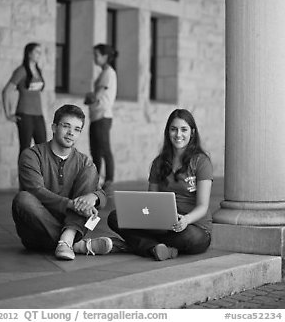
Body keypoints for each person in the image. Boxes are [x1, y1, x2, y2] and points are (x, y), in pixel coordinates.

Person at [12, 104, 122, 261]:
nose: (71, 133)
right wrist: (71, 205)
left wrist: (94, 197)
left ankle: (68, 238)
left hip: (71, 222)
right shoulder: (32, 155)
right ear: (54, 127)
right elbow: (37, 191)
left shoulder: (84, 162)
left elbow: (102, 196)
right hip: (38, 229)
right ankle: (75, 244)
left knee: (90, 171)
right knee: (23, 199)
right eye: (66, 126)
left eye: (77, 129)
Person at [108, 108, 213, 261]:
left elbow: (203, 206)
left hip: (192, 227)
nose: (178, 135)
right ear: (167, 132)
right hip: (163, 226)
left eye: (184, 130)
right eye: (173, 129)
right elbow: (151, 202)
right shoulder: (159, 163)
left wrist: (185, 220)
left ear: (193, 133)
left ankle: (140, 245)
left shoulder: (201, 162)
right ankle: (156, 248)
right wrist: (145, 217)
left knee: (192, 239)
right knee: (115, 217)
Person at [84, 44, 118, 196]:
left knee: (104, 150)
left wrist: (89, 97)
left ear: (105, 56)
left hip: (102, 117)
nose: (94, 58)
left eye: (96, 55)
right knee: (96, 151)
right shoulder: (104, 72)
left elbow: (94, 97)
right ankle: (95, 182)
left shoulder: (108, 73)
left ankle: (109, 182)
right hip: (97, 117)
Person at [2, 42, 47, 156]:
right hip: (25, 114)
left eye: (40, 52)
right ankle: (23, 174)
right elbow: (6, 91)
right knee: (25, 149)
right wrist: (8, 114)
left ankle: (39, 174)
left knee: (43, 148)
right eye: (36, 52)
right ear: (29, 53)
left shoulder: (38, 71)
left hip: (38, 115)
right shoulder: (21, 71)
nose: (39, 55)